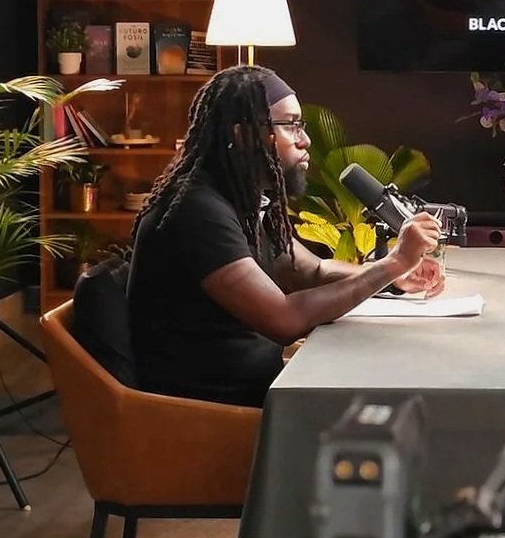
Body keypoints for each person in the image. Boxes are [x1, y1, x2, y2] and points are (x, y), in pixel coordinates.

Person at [126, 65, 446, 406]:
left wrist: (394, 277)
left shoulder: (245, 200)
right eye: (291, 125)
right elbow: (284, 320)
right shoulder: (196, 211)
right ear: (244, 134)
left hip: (254, 388)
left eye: (301, 125)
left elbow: (311, 272)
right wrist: (394, 263)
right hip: (203, 409)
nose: (304, 139)